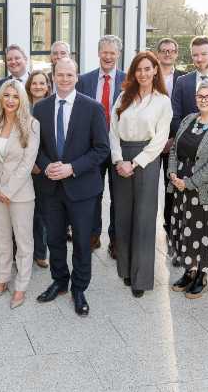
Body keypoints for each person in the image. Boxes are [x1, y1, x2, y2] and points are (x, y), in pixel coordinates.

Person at [33, 58, 110, 316]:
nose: (64, 79)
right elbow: (35, 148)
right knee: (54, 238)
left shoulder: (92, 108)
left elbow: (101, 149)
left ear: (77, 77)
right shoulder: (41, 108)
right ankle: (60, 281)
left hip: (82, 188)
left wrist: (72, 168)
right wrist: (46, 166)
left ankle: (79, 288)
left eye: (69, 75)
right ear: (53, 76)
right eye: (60, 74)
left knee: (80, 241)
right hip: (50, 188)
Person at [109, 52, 172, 298]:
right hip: (121, 157)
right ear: (133, 72)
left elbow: (160, 139)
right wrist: (118, 159)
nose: (143, 73)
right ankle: (125, 268)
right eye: (138, 69)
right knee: (123, 216)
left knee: (144, 219)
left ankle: (141, 277)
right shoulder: (123, 97)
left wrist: (134, 163)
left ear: (155, 70)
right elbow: (112, 130)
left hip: (146, 159)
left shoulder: (162, 101)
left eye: (148, 69)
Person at [167, 79, 208, 299]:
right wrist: (173, 173)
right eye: (200, 96)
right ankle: (189, 271)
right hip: (181, 188)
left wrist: (190, 182)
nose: (204, 100)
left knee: (203, 233)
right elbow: (175, 148)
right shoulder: (188, 119)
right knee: (185, 229)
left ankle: (201, 276)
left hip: (204, 192)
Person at [0, 80, 40, 308]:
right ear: (0, 98)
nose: (10, 100)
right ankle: (3, 278)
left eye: (15, 96)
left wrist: (7, 190)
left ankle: (21, 285)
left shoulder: (31, 124)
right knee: (1, 238)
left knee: (24, 241)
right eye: (6, 95)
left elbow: (28, 162)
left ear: (22, 100)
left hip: (20, 193)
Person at [75, 35, 126, 254]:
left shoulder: (128, 81)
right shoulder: (84, 80)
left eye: (112, 52)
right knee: (92, 194)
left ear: (118, 55)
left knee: (118, 196)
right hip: (92, 148)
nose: (108, 56)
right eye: (104, 52)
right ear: (98, 53)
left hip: (118, 148)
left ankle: (115, 239)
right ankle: (93, 235)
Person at [156, 38, 185, 250]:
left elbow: (184, 111)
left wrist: (173, 138)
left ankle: (170, 227)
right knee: (146, 187)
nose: (167, 54)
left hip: (174, 142)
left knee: (171, 187)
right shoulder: (149, 74)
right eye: (164, 51)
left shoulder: (184, 78)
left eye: (171, 51)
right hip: (149, 141)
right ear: (157, 53)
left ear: (176, 54)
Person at [26, 70, 52, 268]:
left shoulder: (52, 107)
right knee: (24, 212)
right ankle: (23, 251)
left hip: (44, 168)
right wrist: (29, 164)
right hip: (23, 167)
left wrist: (40, 165)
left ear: (47, 86)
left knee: (42, 212)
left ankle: (41, 252)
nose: (38, 86)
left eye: (42, 83)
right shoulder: (21, 106)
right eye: (34, 83)